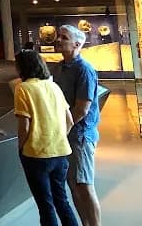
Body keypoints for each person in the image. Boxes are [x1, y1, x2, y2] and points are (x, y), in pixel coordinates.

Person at [14, 49, 78, 226]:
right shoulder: (54, 86)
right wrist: (56, 139)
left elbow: (24, 126)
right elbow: (70, 121)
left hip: (36, 156)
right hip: (60, 153)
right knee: (62, 202)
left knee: (45, 206)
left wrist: (21, 148)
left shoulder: (23, 89)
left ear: (22, 67)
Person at [54, 24, 102, 226]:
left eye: (63, 37)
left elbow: (82, 109)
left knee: (84, 185)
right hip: (68, 134)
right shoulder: (60, 68)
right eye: (59, 36)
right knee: (73, 184)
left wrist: (61, 130)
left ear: (77, 44)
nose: (58, 40)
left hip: (80, 135)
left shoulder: (84, 70)